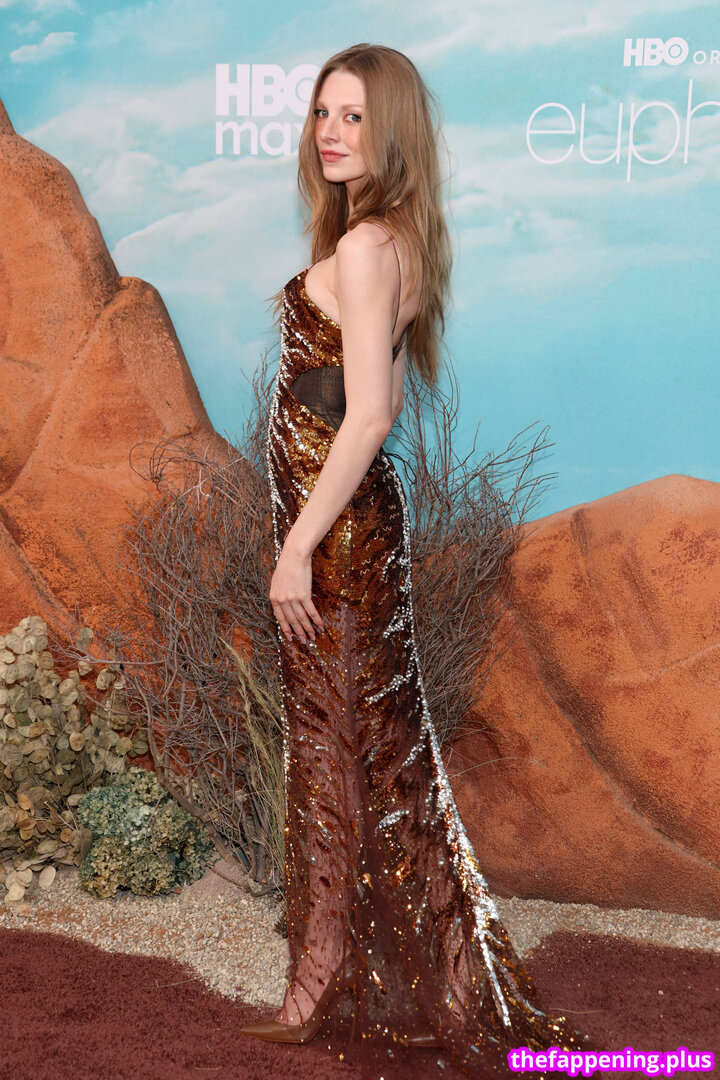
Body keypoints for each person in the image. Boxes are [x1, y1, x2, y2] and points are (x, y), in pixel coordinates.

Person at [238, 43, 590, 1077]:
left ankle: (330, 984)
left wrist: (297, 547)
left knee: (341, 754)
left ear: (391, 131)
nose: (330, 132)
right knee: (362, 753)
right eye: (322, 112)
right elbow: (366, 395)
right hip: (352, 526)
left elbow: (371, 415)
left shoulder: (365, 246)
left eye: (354, 115)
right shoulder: (388, 239)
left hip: (337, 535)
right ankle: (355, 978)